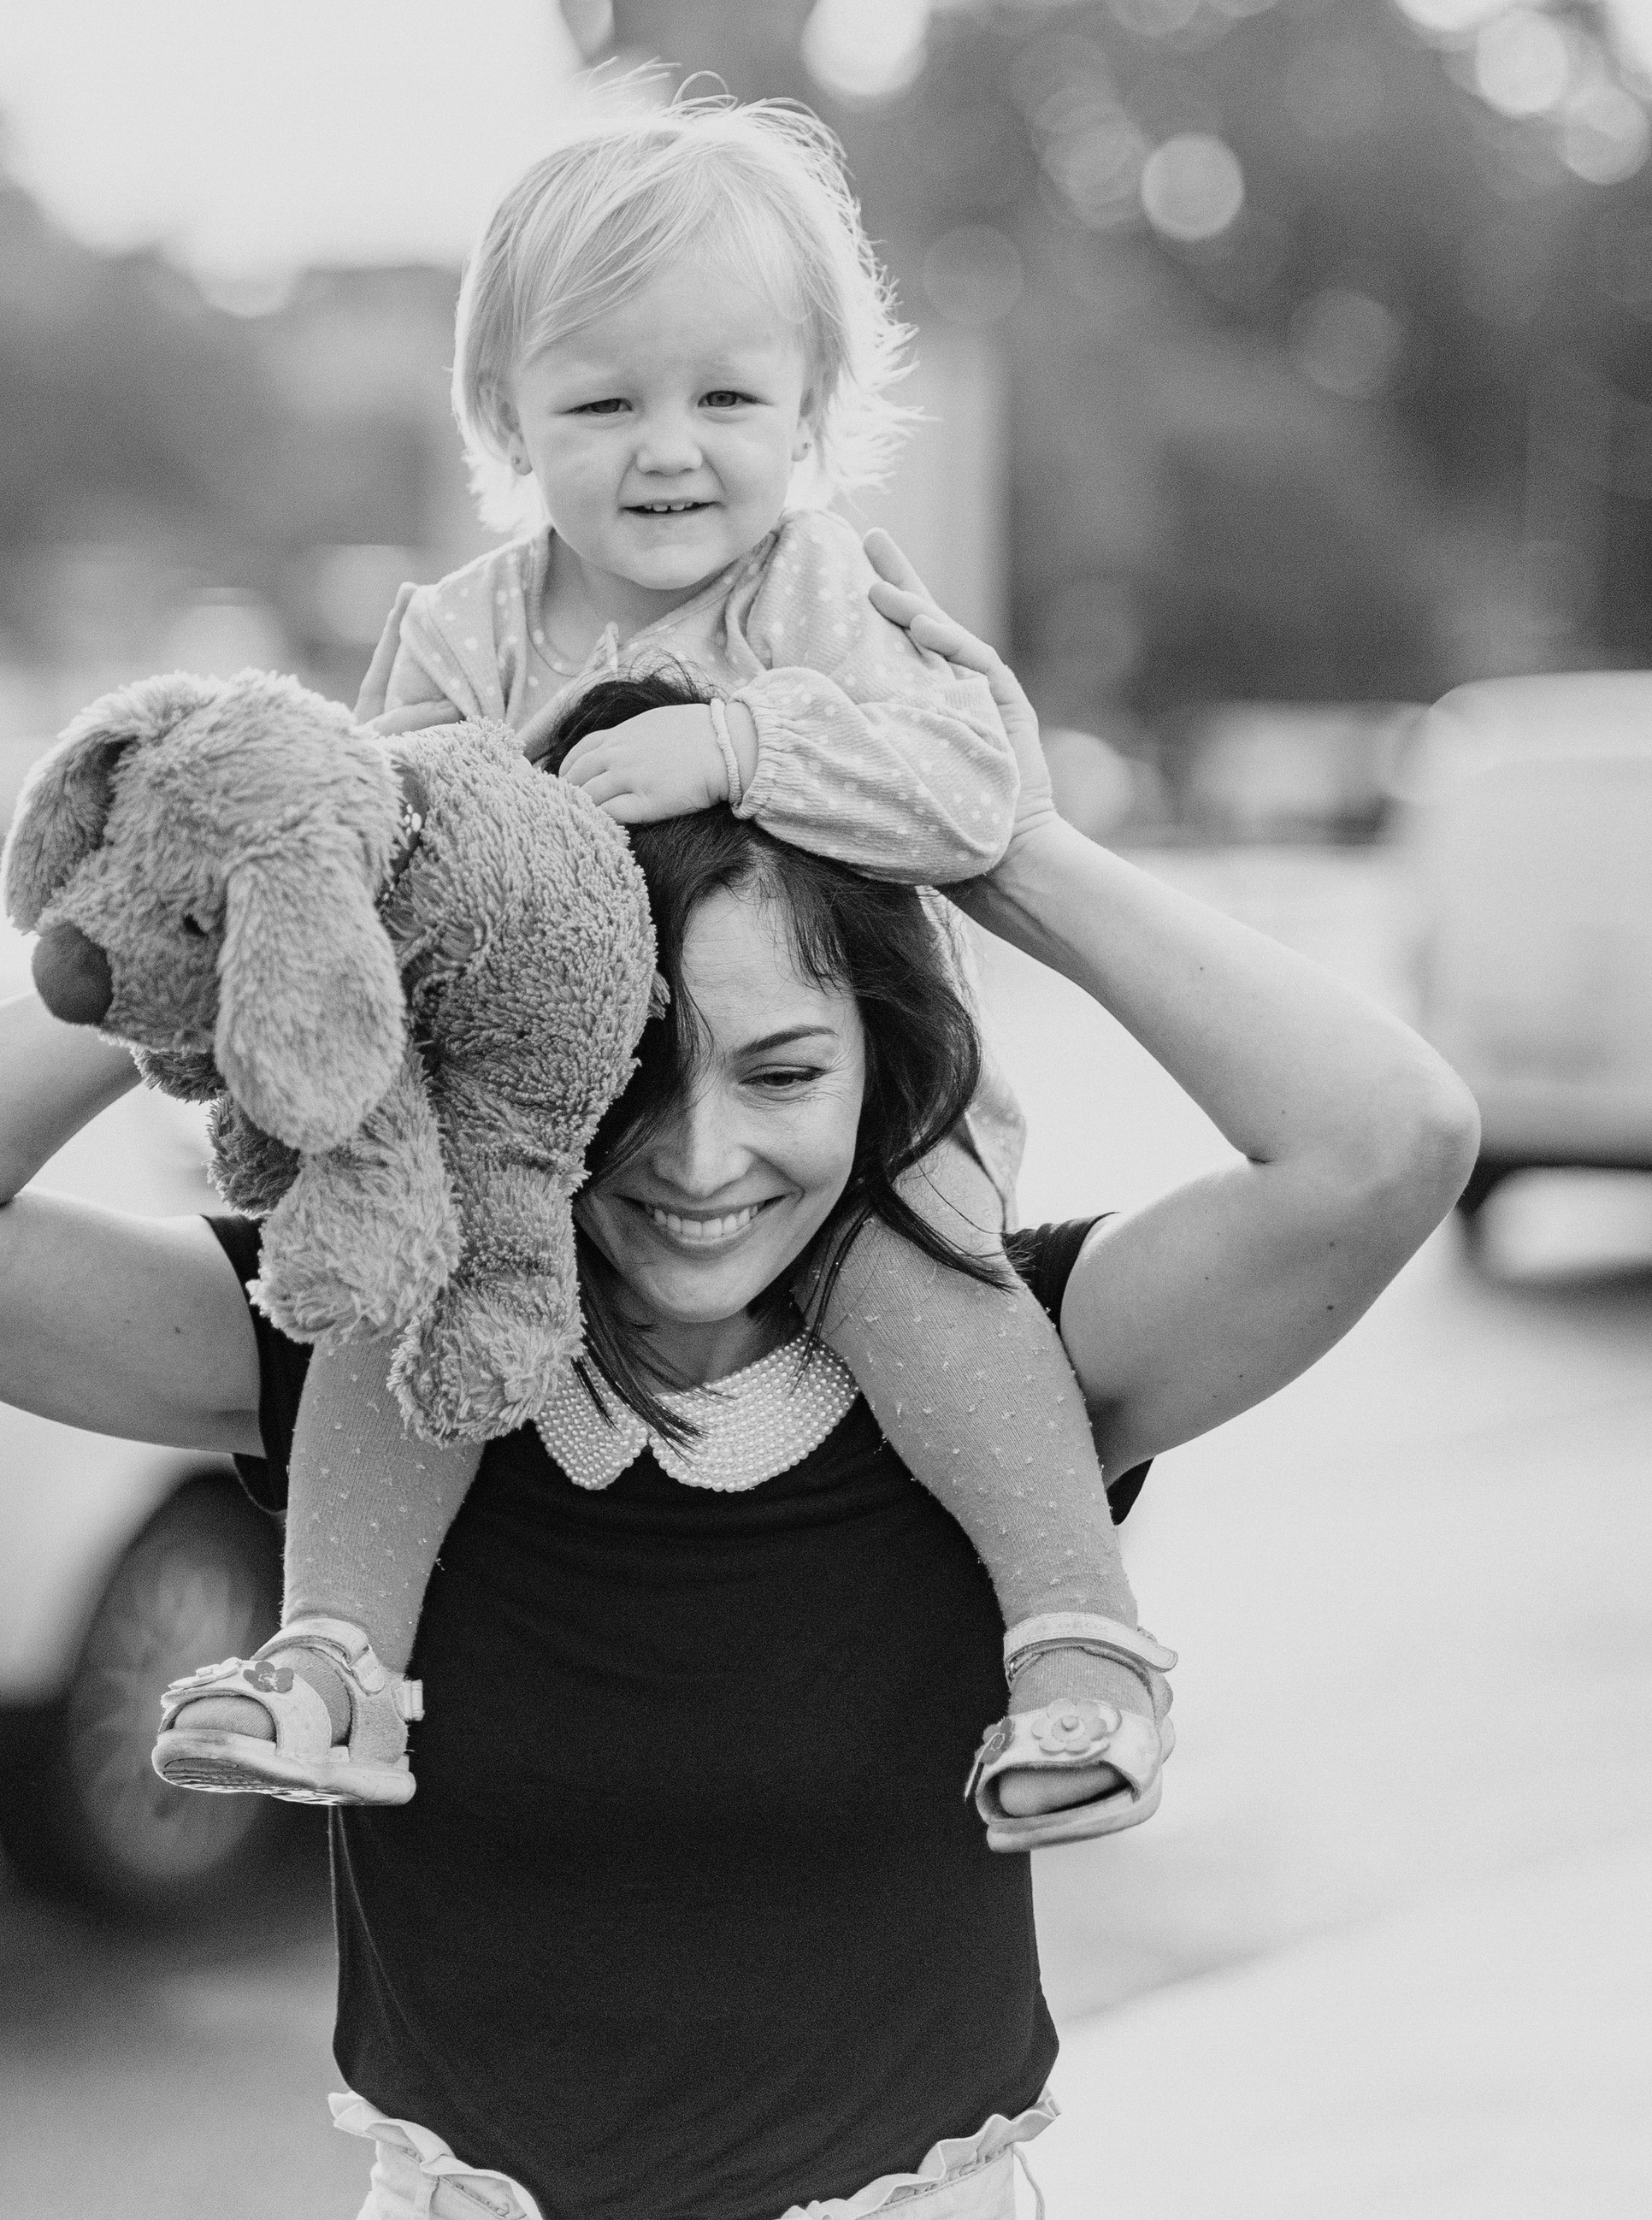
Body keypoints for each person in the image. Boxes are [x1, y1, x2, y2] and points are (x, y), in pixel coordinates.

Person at [0, 593, 1478, 2220]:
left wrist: (985, 829)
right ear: (518, 1044)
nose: (705, 1163)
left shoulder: (1014, 1359)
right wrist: (300, 861)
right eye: (635, 1076)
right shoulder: (383, 1349)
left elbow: (1387, 1138)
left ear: (885, 1059)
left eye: (784, 1070)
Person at [155, 99, 1167, 1844]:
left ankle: (1080, 1646)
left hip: (820, 1117)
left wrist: (739, 746)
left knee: (935, 1285)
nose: (666, 449)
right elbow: (395, 851)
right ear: (504, 420)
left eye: (725, 398)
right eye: (602, 402)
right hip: (543, 1126)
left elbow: (978, 781)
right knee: (405, 1305)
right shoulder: (462, 629)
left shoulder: (818, 597)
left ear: (811, 415)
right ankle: (331, 1664)